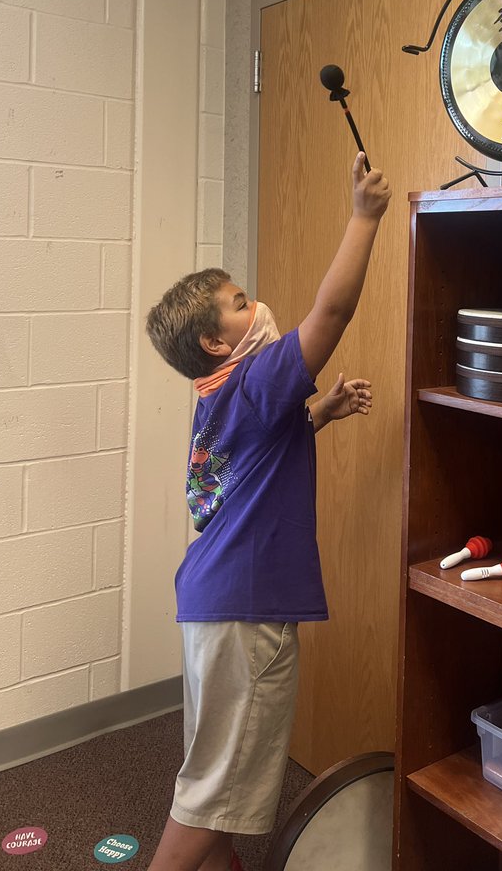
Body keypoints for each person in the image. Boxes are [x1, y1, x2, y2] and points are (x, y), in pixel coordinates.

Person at [143, 151, 391, 871]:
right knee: (211, 791)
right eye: (242, 302)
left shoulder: (219, 399)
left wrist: (319, 415)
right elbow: (333, 312)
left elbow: (248, 470)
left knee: (213, 784)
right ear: (216, 342)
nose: (259, 306)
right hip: (247, 613)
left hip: (210, 601)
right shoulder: (256, 375)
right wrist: (363, 217)